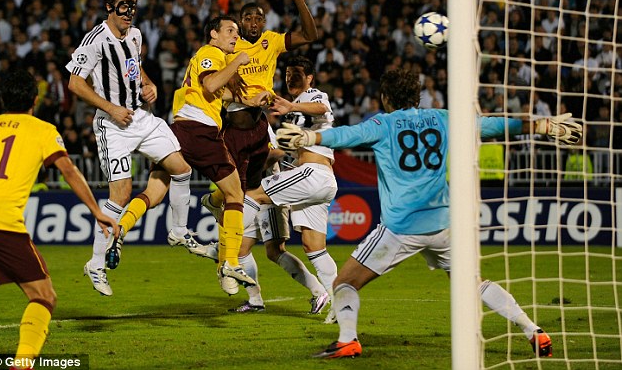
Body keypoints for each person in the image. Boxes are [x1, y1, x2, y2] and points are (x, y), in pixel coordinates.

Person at [276, 68, 582, 358]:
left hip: (401, 227)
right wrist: (542, 126)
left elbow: (345, 135)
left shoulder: (383, 124)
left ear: (385, 97)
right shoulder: (442, 118)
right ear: (416, 95)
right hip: (443, 224)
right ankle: (532, 330)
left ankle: (347, 340)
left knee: (344, 283)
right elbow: (492, 125)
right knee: (474, 282)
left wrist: (309, 138)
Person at [106, 15, 266, 295]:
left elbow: (214, 92)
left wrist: (247, 100)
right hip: (199, 131)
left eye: (237, 32)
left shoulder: (209, 58)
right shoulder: (212, 53)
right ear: (213, 34)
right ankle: (229, 262)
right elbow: (211, 85)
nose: (235, 36)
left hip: (179, 130)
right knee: (235, 194)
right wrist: (238, 61)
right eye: (230, 30)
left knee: (154, 192)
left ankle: (120, 230)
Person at [65, 0, 198, 297]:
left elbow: (135, 69)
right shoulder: (95, 40)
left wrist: (148, 85)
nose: (129, 12)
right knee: (121, 195)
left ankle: (179, 231)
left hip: (141, 117)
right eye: (124, 5)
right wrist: (111, 108)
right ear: (109, 7)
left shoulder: (135, 36)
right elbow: (74, 83)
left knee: (182, 169)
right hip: (112, 126)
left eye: (133, 6)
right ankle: (96, 263)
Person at [0, 70, 120, 367]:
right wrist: (97, 211)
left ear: (2, 99)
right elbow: (68, 171)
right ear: (35, 100)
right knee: (43, 296)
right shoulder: (43, 130)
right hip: (0, 222)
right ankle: (22, 363)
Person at [201, 0, 318, 233]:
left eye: (258, 18)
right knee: (242, 185)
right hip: (234, 120)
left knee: (258, 176)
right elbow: (214, 76)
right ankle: (222, 214)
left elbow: (310, 36)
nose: (253, 23)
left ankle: (258, 232)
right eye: (248, 18)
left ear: (264, 22)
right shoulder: (229, 44)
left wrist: (299, 0)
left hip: (259, 122)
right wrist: (238, 86)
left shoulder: (271, 41)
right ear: (240, 22)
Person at [237, 56, 338, 321]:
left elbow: (321, 107)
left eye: (297, 73)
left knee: (253, 196)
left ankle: (224, 245)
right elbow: (287, 150)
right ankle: (339, 306)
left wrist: (291, 105)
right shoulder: (292, 115)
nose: (291, 77)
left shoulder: (313, 96)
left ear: (309, 78)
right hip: (317, 180)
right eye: (287, 73)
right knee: (313, 246)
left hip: (313, 174)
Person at [226, 126, 330, 314]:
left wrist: (250, 173)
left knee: (275, 250)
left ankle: (319, 291)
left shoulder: (259, 126)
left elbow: (276, 152)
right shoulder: (234, 129)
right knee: (242, 249)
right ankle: (255, 300)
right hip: (251, 195)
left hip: (270, 195)